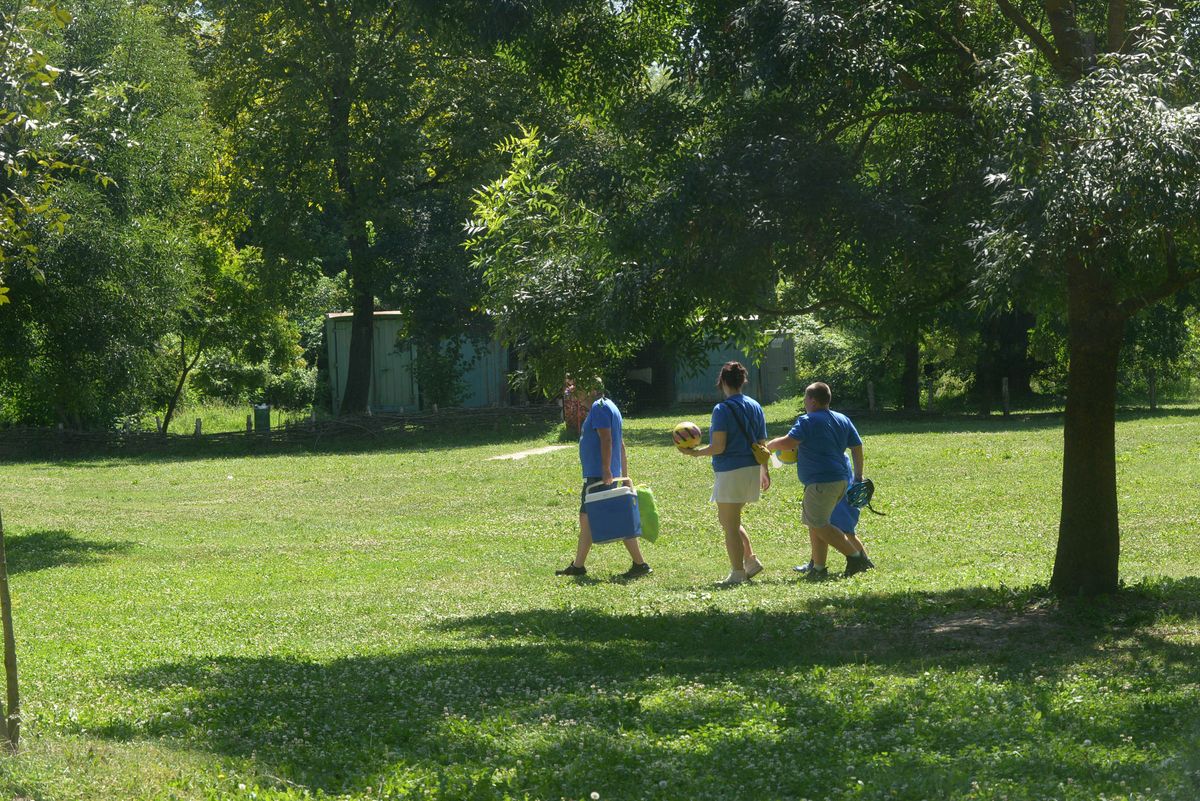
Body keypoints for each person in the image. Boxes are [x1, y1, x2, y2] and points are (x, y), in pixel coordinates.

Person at [766, 381, 874, 578]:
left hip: (821, 482)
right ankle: (818, 568)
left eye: (805, 398)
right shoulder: (842, 419)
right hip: (841, 480)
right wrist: (858, 476)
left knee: (819, 524)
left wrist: (771, 445)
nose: (805, 402)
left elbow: (790, 442)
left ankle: (856, 557)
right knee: (817, 522)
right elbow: (857, 446)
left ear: (813, 401)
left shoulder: (808, 420)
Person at [680, 361, 769, 586]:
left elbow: (718, 446)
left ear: (721, 382)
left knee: (729, 525)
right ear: (743, 381)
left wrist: (695, 453)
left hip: (731, 470)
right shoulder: (755, 405)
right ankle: (750, 560)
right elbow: (762, 443)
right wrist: (764, 470)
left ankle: (738, 573)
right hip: (750, 469)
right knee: (728, 519)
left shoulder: (722, 409)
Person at [555, 379, 651, 579]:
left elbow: (607, 439)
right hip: (602, 473)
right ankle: (579, 566)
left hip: (599, 475)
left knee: (605, 519)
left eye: (579, 387)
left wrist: (607, 470)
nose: (575, 392)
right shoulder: (609, 406)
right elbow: (621, 444)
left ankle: (639, 564)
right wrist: (624, 474)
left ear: (591, 389)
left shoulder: (599, 408)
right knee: (590, 519)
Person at [793, 455, 866, 580]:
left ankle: (863, 561)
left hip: (833, 474)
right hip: (827, 472)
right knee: (817, 523)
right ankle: (816, 564)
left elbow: (856, 444)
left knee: (842, 527)